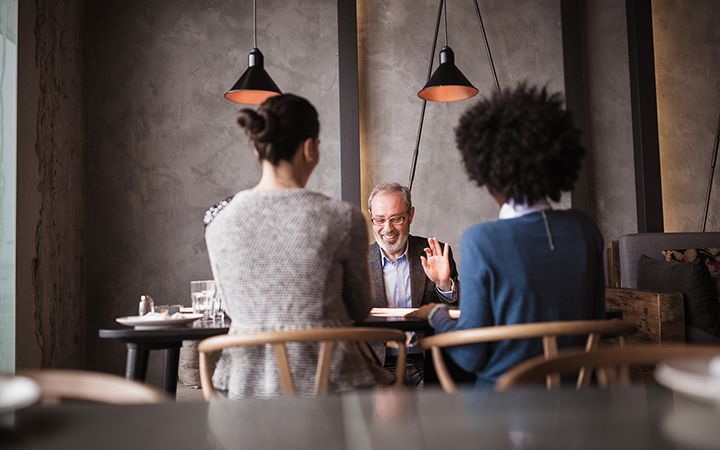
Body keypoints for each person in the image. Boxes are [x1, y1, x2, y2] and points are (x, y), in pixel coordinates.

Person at [411, 84, 605, 388]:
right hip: (580, 402)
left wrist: (436, 314)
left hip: (503, 408)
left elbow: (470, 354)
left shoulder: (482, 240)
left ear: (487, 172)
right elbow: (595, 326)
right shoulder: (585, 230)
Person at [204, 93, 386, 399]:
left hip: (242, 396)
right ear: (310, 148)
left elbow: (234, 308)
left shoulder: (221, 222)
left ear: (256, 148)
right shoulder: (342, 218)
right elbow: (360, 307)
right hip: (331, 393)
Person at [367, 183, 458, 387]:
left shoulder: (436, 253)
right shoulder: (357, 261)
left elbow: (457, 317)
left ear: (411, 215)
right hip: (376, 365)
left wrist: (443, 284)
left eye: (396, 219)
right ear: (371, 217)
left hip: (427, 362)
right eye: (379, 220)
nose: (387, 228)